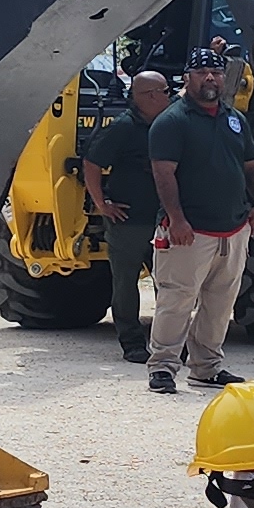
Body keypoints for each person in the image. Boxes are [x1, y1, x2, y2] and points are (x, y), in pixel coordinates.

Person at [143, 65, 254, 395]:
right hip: (189, 231)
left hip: (234, 228)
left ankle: (206, 368)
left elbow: (252, 165)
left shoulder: (234, 118)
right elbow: (163, 175)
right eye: (201, 72)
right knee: (177, 299)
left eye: (216, 72)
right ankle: (163, 366)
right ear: (187, 77)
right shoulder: (172, 121)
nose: (210, 78)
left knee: (221, 302)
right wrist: (177, 219)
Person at [79, 69, 170, 363]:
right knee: (126, 284)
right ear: (148, 96)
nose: (169, 96)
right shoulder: (123, 128)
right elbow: (91, 163)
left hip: (165, 220)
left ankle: (168, 341)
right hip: (128, 221)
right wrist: (102, 203)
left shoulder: (171, 124)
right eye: (164, 91)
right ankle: (132, 342)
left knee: (169, 284)